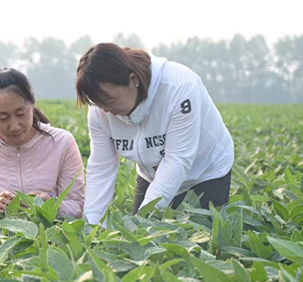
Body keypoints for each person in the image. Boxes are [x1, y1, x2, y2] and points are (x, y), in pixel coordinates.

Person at [76, 43, 234, 225]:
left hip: (204, 173)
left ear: (133, 79)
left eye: (110, 100)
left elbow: (177, 159)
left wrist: (142, 221)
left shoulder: (179, 87)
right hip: (151, 174)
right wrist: (92, 225)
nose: (106, 110)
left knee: (196, 235)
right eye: (98, 103)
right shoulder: (100, 110)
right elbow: (101, 166)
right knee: (141, 236)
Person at [0, 68, 85, 218]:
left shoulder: (62, 143)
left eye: (21, 114)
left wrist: (50, 204)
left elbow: (78, 206)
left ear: (32, 104)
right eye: (3, 118)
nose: (14, 126)